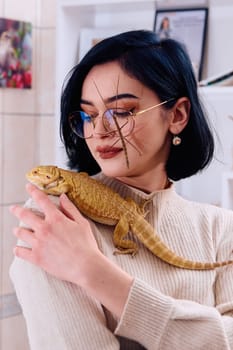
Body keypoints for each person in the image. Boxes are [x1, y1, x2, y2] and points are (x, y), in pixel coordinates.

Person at [9, 30, 233, 349]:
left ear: (178, 115)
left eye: (123, 111)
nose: (99, 131)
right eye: (88, 115)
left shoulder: (221, 228)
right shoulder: (53, 224)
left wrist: (96, 273)